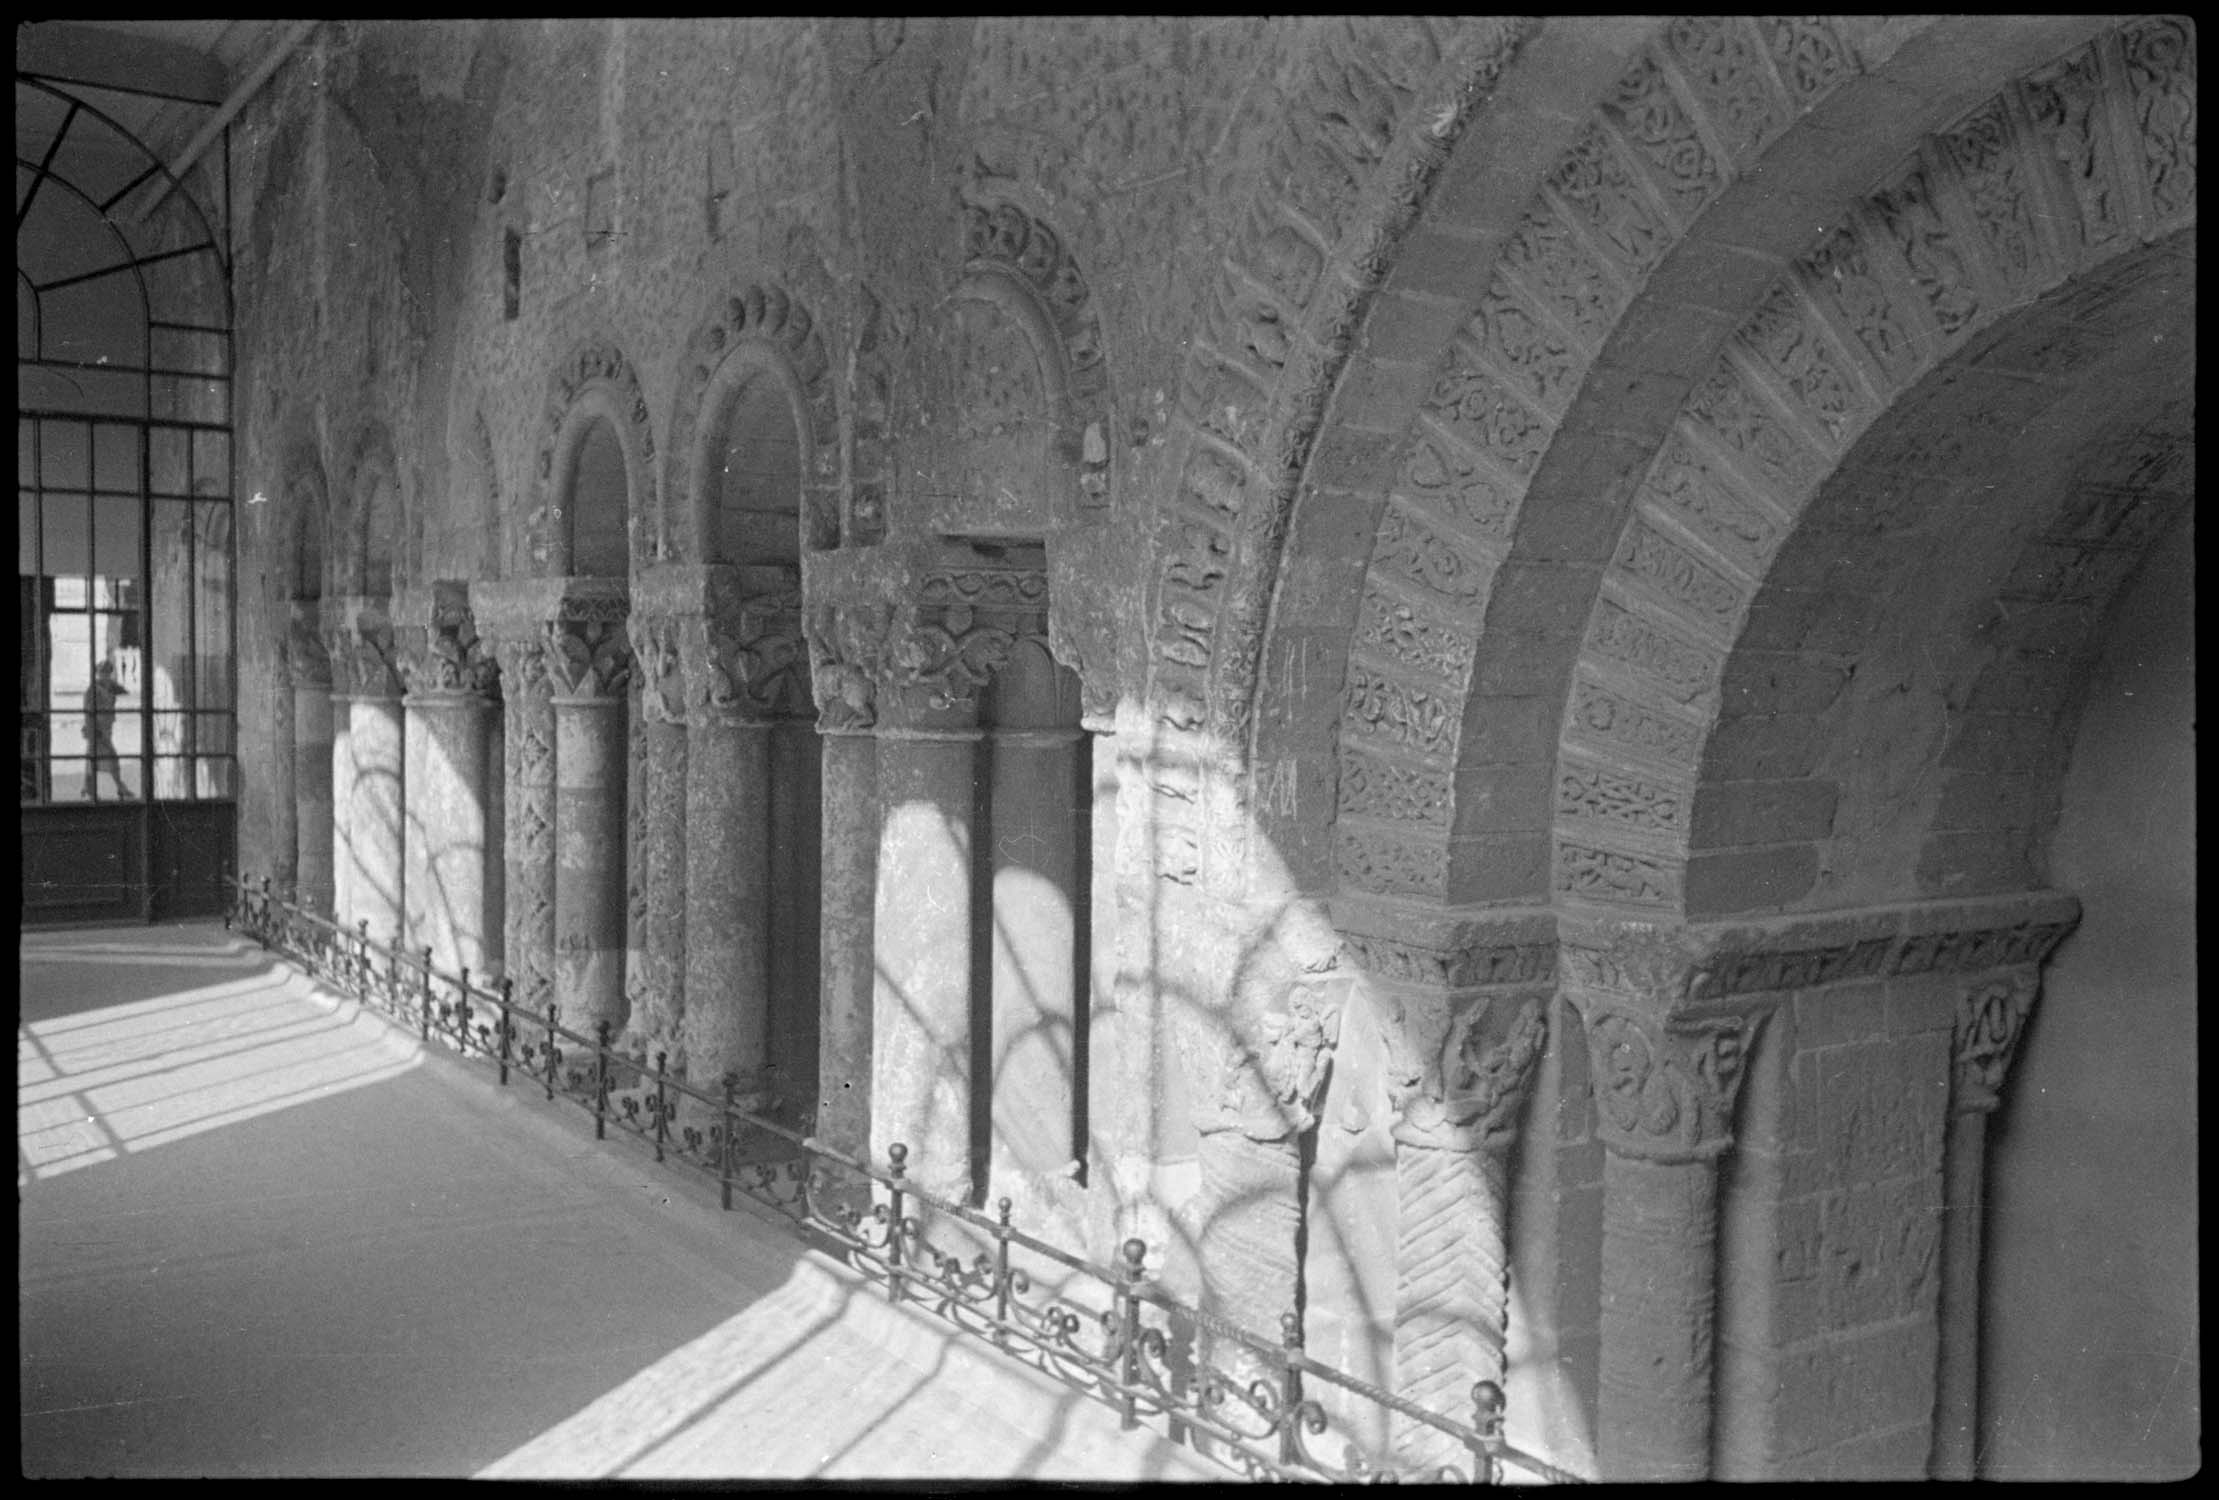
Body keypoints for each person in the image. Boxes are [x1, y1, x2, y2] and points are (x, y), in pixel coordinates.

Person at [83, 658, 127, 800]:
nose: (105, 676)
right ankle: (120, 787)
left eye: (108, 673)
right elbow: (88, 711)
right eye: (103, 673)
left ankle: (89, 788)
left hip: (106, 728)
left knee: (94, 759)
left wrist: (112, 687)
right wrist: (93, 730)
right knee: (107, 758)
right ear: (98, 674)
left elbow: (124, 691)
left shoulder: (109, 687)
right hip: (97, 729)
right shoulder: (93, 690)